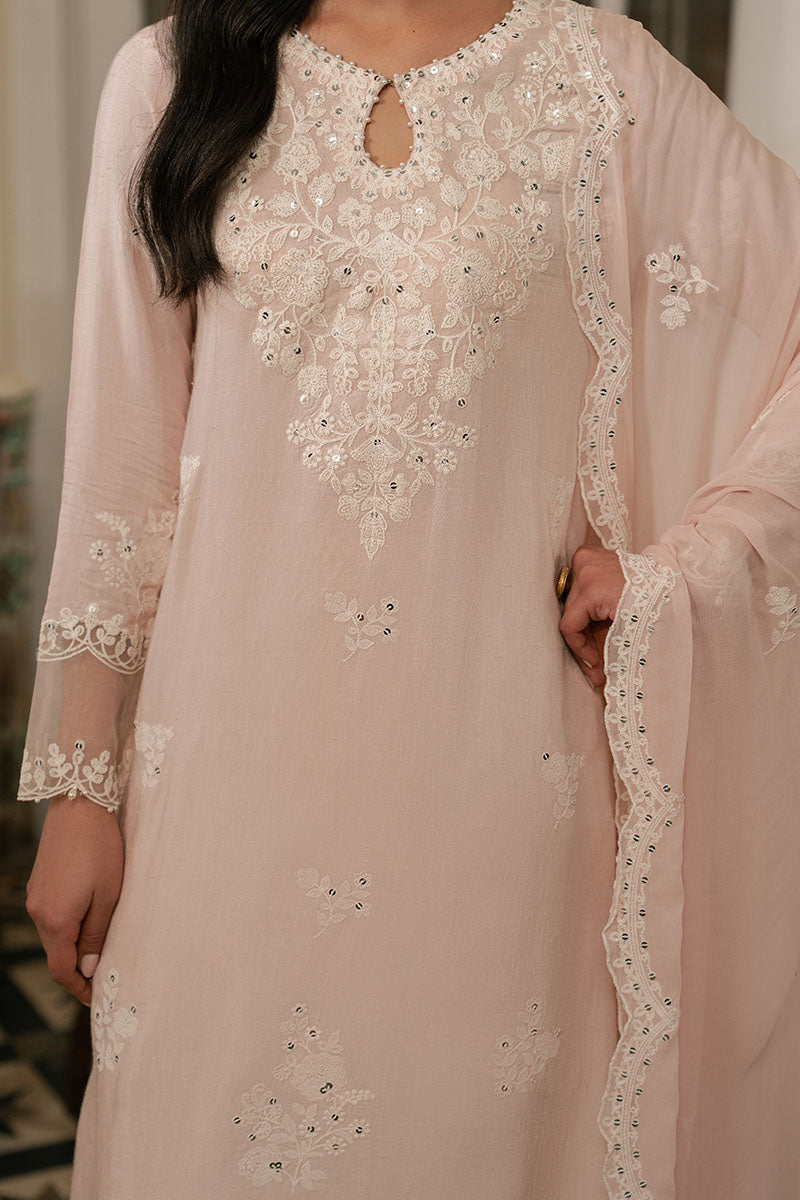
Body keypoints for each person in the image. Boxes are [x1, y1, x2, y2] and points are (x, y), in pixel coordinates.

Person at [18, 0, 800, 1196]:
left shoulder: (600, 79)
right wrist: (80, 793)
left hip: (504, 808)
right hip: (222, 793)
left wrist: (678, 573)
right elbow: (119, 480)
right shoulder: (172, 79)